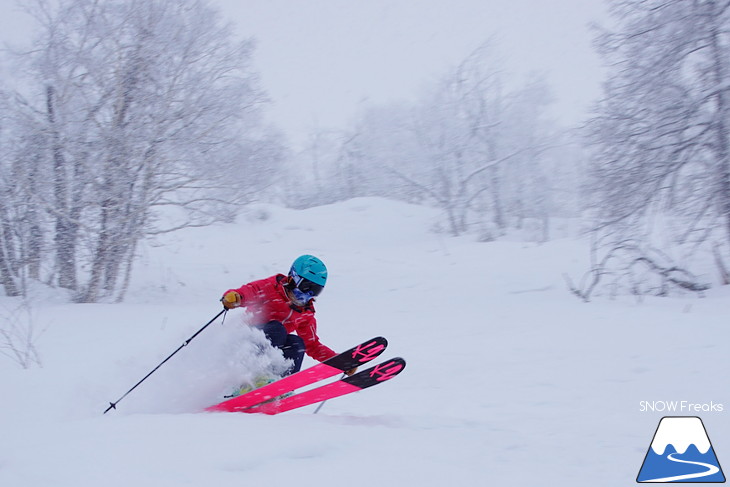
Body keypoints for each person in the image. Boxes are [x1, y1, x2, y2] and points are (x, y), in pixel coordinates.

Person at [221, 255, 354, 379]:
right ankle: (251, 376)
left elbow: (313, 346)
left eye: (315, 290)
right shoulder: (270, 288)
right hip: (244, 344)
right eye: (306, 287)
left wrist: (339, 362)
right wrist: (235, 297)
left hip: (270, 349)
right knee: (277, 329)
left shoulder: (305, 313)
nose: (307, 294)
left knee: (296, 343)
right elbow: (248, 292)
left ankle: (279, 385)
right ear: (292, 278)